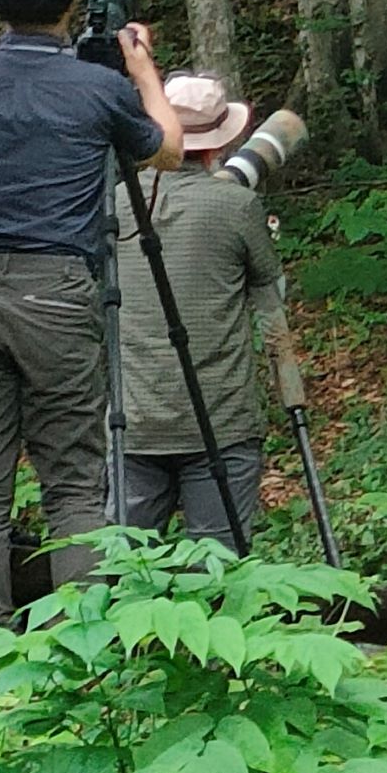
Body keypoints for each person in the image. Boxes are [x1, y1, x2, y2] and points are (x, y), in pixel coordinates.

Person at [0, 0, 185, 626]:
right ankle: (76, 639)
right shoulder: (97, 89)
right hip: (56, 291)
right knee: (71, 482)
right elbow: (166, 150)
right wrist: (142, 71)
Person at [108, 71, 282, 542]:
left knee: (122, 568)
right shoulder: (238, 205)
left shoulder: (114, 204)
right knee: (216, 569)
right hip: (220, 421)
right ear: (218, 145)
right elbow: (270, 295)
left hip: (134, 423)